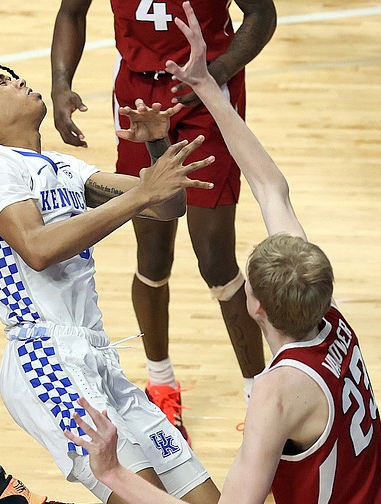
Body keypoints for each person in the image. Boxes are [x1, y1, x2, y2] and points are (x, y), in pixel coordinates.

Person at [65, 4, 381, 504]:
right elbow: (271, 186)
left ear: (255, 306)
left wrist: (114, 474)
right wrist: (207, 85)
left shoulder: (278, 393)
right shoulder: (332, 324)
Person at [0, 62, 223, 504]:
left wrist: (156, 146)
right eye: (1, 82)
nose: (18, 80)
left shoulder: (62, 166)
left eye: (13, 74)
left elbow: (166, 205)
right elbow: (37, 249)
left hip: (97, 356)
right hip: (45, 360)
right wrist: (140, 194)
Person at [51, 0, 277, 442]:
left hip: (205, 90)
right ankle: (160, 385)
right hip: (137, 95)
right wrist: (61, 85)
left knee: (215, 260)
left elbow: (261, 13)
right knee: (152, 255)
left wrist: (220, 69)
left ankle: (261, 398)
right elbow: (72, 11)